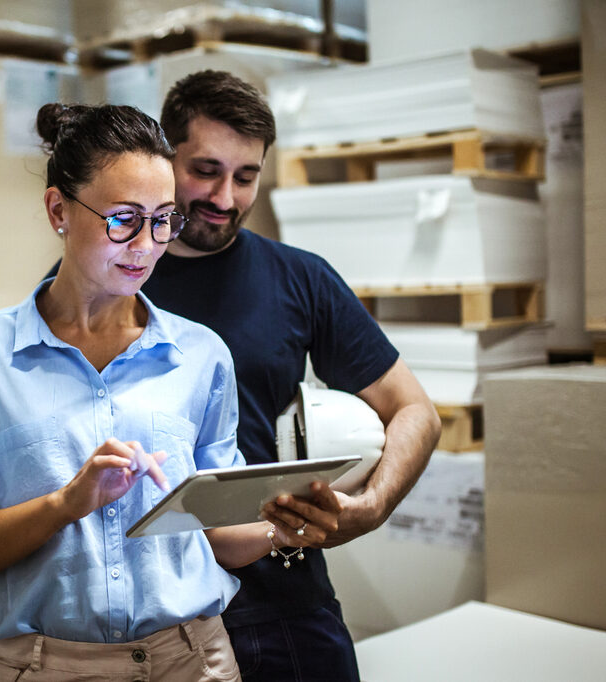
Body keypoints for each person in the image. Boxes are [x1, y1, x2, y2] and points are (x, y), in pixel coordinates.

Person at [0, 104, 321, 682]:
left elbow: (219, 536)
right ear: (59, 209)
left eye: (163, 220)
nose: (146, 246)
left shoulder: (201, 356)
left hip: (193, 660)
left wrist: (285, 522)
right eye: (124, 218)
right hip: (39, 666)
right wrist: (65, 504)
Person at [148, 71, 442, 680]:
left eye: (246, 177)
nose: (225, 197)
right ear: (163, 155)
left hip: (282, 608)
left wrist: (372, 505)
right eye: (204, 170)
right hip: (148, 616)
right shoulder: (108, 279)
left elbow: (415, 410)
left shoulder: (300, 278)